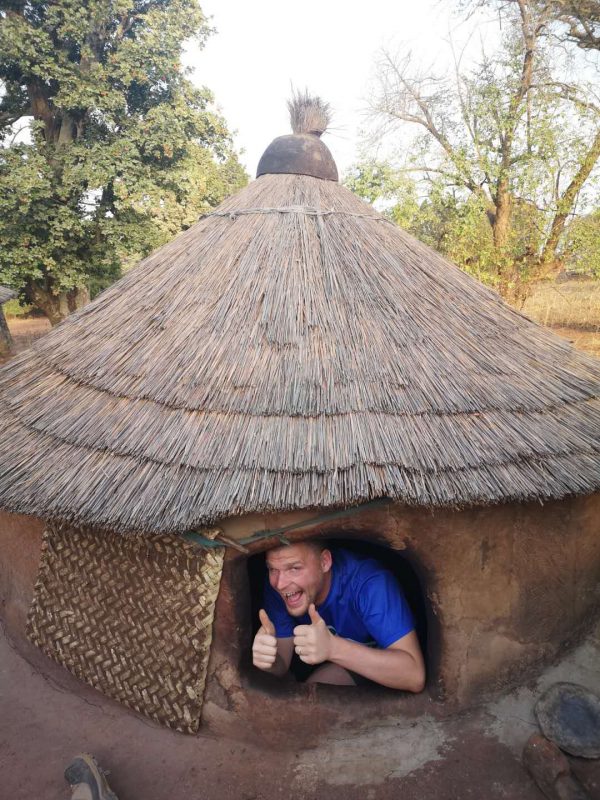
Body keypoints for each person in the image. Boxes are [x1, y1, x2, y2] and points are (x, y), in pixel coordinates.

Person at [252, 540, 426, 690]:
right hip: (346, 664)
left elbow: (414, 675)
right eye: (272, 569)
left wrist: (332, 648)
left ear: (325, 562)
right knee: (312, 696)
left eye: (294, 568)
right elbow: (282, 664)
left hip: (386, 657)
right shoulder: (280, 589)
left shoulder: (370, 583)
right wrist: (269, 659)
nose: (280, 583)